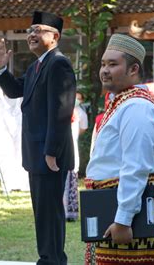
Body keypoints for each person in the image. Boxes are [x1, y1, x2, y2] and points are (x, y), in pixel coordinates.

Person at [0, 11, 76, 264]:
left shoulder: (58, 63)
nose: (32, 35)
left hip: (49, 154)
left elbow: (61, 111)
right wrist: (0, 67)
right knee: (42, 212)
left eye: (38, 30)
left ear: (55, 36)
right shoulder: (38, 64)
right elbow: (16, 90)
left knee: (50, 213)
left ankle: (54, 260)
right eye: (30, 31)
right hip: (35, 152)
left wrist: (51, 151)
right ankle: (47, 258)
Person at [85, 34, 154, 264]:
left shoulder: (137, 108)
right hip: (113, 204)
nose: (104, 70)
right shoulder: (123, 102)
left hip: (126, 212)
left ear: (133, 69)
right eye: (103, 64)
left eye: (113, 64)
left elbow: (136, 167)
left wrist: (123, 220)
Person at [63, 92, 88, 221]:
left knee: (69, 182)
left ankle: (68, 212)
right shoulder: (73, 114)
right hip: (69, 152)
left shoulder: (75, 115)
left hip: (69, 152)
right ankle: (68, 212)